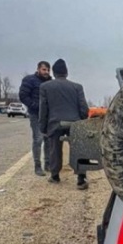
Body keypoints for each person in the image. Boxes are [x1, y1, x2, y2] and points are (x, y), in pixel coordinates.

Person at [39, 59, 90, 189]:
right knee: (79, 149)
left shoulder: (45, 87)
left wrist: (43, 127)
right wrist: (82, 121)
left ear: (54, 73)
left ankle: (55, 175)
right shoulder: (77, 87)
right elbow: (83, 108)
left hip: (55, 123)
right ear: (66, 73)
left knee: (54, 149)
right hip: (74, 123)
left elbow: (43, 109)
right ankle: (81, 178)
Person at [19, 61, 52, 176]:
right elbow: (23, 96)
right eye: (44, 69)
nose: (46, 72)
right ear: (38, 69)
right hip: (35, 114)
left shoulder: (50, 82)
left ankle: (47, 164)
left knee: (48, 139)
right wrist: (35, 106)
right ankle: (37, 166)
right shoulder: (29, 80)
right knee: (38, 139)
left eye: (48, 70)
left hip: (48, 116)